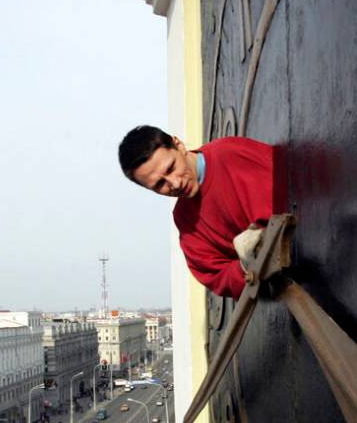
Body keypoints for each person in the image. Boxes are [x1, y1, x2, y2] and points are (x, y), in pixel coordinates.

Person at [118, 126, 284, 298]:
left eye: (171, 168)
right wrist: (245, 265)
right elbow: (218, 278)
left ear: (179, 145)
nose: (175, 184)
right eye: (159, 185)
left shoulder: (232, 153)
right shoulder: (185, 221)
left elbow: (296, 187)